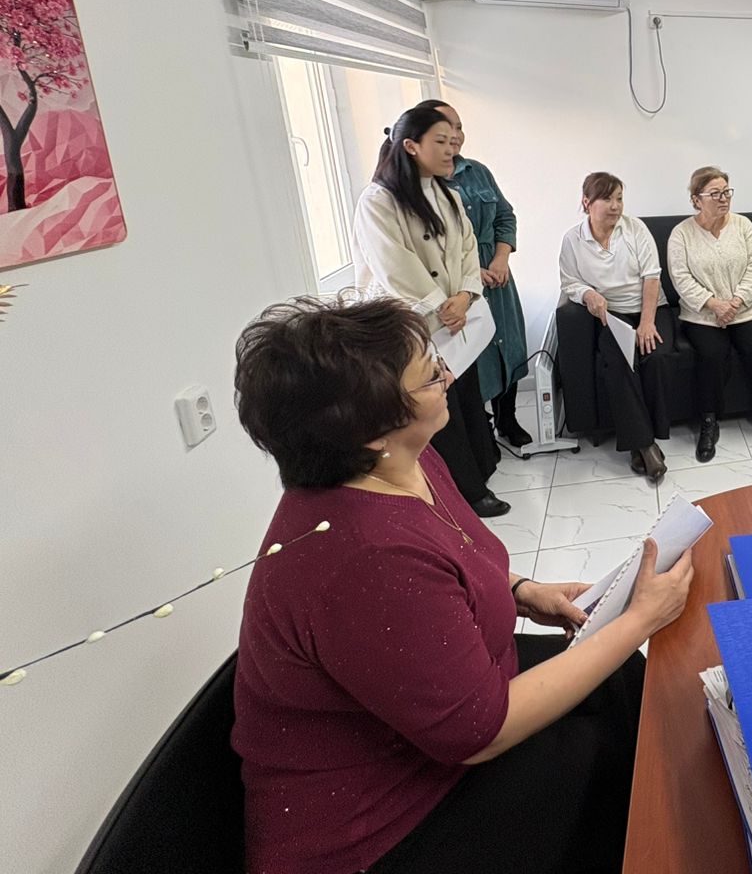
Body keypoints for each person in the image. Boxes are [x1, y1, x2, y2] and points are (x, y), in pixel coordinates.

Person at [231, 296, 694, 874]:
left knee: (624, 681)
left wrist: (522, 590)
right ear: (371, 430)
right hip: (384, 823)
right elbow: (480, 733)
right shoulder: (367, 557)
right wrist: (640, 619)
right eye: (431, 376)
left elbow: (452, 557)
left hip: (439, 721)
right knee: (605, 759)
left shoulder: (405, 461)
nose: (449, 376)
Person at [353, 105, 505, 517]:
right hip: (412, 323)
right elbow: (394, 265)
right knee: (437, 412)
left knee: (466, 398)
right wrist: (440, 305)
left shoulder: (447, 194)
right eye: (440, 140)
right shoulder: (378, 201)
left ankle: (481, 473)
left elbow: (468, 249)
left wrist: (466, 295)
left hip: (455, 317)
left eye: (453, 138)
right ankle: (464, 495)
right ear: (411, 146)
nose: (452, 147)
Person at [417, 99, 532, 457]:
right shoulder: (424, 183)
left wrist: (501, 259)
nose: (454, 136)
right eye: (445, 130)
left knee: (508, 346)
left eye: (459, 127)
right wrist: (472, 275)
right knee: (473, 355)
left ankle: (508, 419)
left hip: (498, 278)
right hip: (459, 284)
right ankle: (482, 429)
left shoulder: (477, 171)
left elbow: (505, 216)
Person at [667, 166, 752, 463]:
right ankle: (709, 421)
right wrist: (714, 304)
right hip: (702, 315)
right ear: (696, 199)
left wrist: (735, 302)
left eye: (726, 192)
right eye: (715, 193)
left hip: (745, 309)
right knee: (711, 355)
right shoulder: (681, 234)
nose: (723, 198)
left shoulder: (743, 225)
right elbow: (680, 278)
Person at [558, 172, 673, 482]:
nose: (615, 206)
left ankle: (642, 444)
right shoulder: (573, 240)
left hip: (650, 308)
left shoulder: (635, 229)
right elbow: (570, 282)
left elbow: (652, 276)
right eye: (607, 199)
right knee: (619, 363)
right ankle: (645, 446)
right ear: (587, 202)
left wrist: (647, 323)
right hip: (612, 315)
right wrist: (589, 295)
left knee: (657, 356)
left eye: (619, 199)